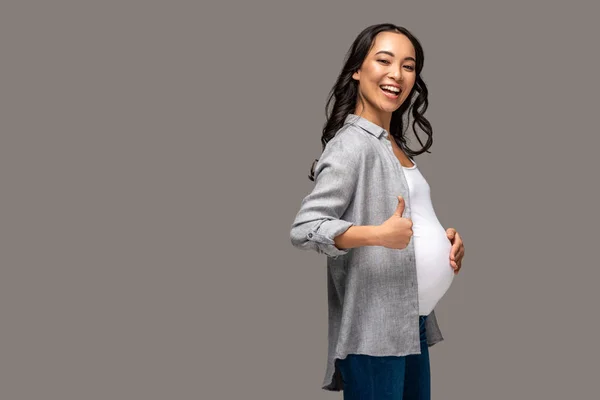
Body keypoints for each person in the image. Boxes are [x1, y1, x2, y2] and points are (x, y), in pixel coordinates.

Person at [289, 23, 465, 399]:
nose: (396, 74)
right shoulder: (351, 145)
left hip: (410, 324)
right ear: (357, 69)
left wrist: (442, 241)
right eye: (384, 60)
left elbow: (408, 218)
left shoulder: (391, 144)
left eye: (408, 65)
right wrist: (379, 236)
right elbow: (305, 228)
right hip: (375, 333)